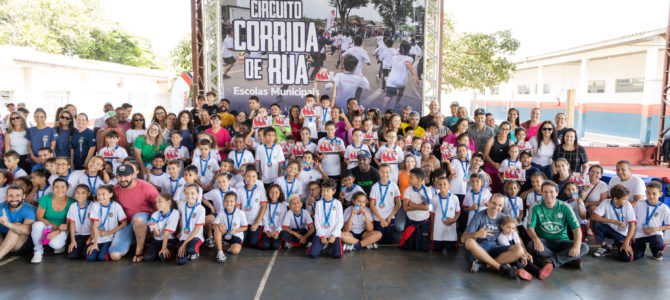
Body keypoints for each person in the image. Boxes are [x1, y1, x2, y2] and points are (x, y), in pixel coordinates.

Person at [526, 181, 589, 269]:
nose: (548, 194)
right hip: (544, 242)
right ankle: (567, 260)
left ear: (557, 193)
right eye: (545, 192)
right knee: (531, 245)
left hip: (561, 242)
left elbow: (576, 229)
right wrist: (536, 240)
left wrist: (576, 246)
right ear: (542, 193)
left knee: (584, 247)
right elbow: (530, 228)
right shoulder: (535, 207)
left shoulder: (565, 207)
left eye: (551, 191)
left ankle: (549, 261)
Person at [461, 194, 524, 279]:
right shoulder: (479, 216)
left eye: (500, 205)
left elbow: (514, 234)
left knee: (519, 250)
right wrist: (476, 234)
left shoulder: (503, 217)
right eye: (494, 203)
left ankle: (484, 266)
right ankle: (500, 267)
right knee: (469, 242)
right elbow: (463, 239)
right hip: (480, 249)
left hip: (495, 248)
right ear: (489, 203)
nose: (496, 207)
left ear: (502, 207)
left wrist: (525, 252)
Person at [110, 164, 159, 262]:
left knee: (138, 218)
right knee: (115, 255)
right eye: (120, 176)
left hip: (147, 221)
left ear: (133, 175)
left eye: (126, 176)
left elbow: (160, 208)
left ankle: (139, 251)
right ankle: (136, 239)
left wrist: (156, 228)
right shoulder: (116, 190)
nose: (123, 179)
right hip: (128, 224)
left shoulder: (147, 187)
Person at [29, 178, 76, 263]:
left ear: (67, 188)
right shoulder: (45, 199)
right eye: (57, 187)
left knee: (55, 245)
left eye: (63, 187)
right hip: (47, 225)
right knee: (37, 225)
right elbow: (39, 217)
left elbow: (69, 223)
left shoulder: (72, 202)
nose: (60, 189)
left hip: (62, 229)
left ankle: (61, 246)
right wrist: (53, 227)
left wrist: (57, 231)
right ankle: (38, 251)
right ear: (53, 188)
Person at [591, 184, 636, 261]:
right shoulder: (606, 203)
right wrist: (612, 221)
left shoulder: (628, 205)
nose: (626, 201)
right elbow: (593, 217)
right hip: (609, 230)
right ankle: (604, 248)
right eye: (624, 199)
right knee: (596, 224)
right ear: (615, 199)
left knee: (627, 258)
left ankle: (618, 244)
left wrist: (626, 243)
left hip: (621, 234)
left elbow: (632, 225)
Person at [87, 185, 128, 262]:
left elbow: (124, 223)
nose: (100, 197)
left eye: (103, 194)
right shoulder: (95, 205)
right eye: (98, 194)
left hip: (110, 237)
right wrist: (95, 243)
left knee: (102, 258)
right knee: (90, 258)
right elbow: (95, 224)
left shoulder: (116, 206)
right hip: (98, 237)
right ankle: (97, 245)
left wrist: (108, 233)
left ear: (110, 195)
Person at [633, 181, 670, 260]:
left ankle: (656, 251)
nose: (650, 196)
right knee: (636, 256)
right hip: (640, 232)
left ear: (660, 194)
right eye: (648, 193)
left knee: (658, 244)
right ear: (645, 193)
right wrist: (632, 234)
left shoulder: (664, 208)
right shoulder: (639, 203)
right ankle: (641, 250)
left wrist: (654, 229)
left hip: (655, 233)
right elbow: (634, 219)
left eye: (654, 193)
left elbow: (669, 225)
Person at [308, 179, 344, 258]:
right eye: (323, 190)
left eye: (328, 191)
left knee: (338, 255)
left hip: (333, 234)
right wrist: (321, 236)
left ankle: (329, 245)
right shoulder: (319, 204)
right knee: (312, 254)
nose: (325, 193)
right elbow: (316, 222)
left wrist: (334, 235)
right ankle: (321, 245)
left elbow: (340, 222)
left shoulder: (337, 204)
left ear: (334, 191)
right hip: (322, 234)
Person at [399, 168, 432, 251]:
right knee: (409, 247)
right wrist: (420, 206)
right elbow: (405, 208)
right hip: (411, 221)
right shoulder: (407, 190)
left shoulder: (427, 190)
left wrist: (411, 204)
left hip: (423, 221)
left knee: (424, 248)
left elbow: (426, 207)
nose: (408, 179)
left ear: (419, 180)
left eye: (411, 177)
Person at [0, 185, 35, 261]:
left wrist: (8, 224)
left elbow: (28, 230)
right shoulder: (1, 207)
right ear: (6, 197)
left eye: (18, 195)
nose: (14, 198)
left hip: (19, 245)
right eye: (11, 195)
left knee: (16, 227)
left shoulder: (29, 209)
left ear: (23, 196)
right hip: (3, 241)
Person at [382, 41, 419, 110]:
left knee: (388, 95)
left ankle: (383, 109)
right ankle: (395, 104)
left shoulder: (394, 57)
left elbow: (389, 67)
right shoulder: (409, 59)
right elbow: (407, 64)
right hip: (401, 81)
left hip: (391, 80)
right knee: (400, 92)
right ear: (408, 50)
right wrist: (414, 75)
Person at [176, 184, 205, 265]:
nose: (189, 196)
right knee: (180, 262)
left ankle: (195, 251)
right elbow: (182, 219)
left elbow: (197, 229)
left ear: (198, 194)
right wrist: (180, 231)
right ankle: (187, 247)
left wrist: (184, 244)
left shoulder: (201, 209)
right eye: (187, 193)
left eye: (192, 193)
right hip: (184, 235)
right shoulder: (182, 205)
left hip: (196, 236)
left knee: (190, 249)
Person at [430, 176, 460, 253]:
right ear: (437, 186)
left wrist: (454, 220)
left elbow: (458, 212)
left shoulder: (454, 198)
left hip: (451, 231)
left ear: (449, 185)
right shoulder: (435, 198)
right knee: (437, 253)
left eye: (444, 184)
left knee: (452, 253)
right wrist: (432, 232)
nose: (442, 186)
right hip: (438, 232)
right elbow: (432, 215)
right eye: (440, 184)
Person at [66, 184, 93, 259]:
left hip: (89, 235)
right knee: (72, 256)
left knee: (85, 255)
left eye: (83, 193)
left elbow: (95, 224)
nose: (80, 195)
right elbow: (72, 223)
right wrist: (73, 240)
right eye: (77, 192)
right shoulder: (73, 206)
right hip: (77, 236)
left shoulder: (93, 205)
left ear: (88, 194)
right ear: (74, 193)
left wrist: (91, 238)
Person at [483, 121, 511, 192]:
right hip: (490, 164)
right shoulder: (492, 139)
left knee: (501, 189)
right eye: (502, 128)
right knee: (489, 187)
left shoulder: (511, 142)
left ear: (509, 130)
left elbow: (512, 157)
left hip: (503, 167)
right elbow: (486, 154)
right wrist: (494, 164)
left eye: (506, 129)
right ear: (499, 129)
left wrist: (503, 166)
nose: (504, 131)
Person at [260, 184, 288, 250]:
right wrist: (267, 230)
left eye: (276, 192)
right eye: (271, 192)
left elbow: (282, 221)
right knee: (265, 246)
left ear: (280, 194)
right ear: (268, 193)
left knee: (275, 246)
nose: (274, 194)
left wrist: (277, 231)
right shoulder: (265, 205)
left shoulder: (283, 206)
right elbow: (264, 219)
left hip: (277, 231)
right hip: (267, 230)